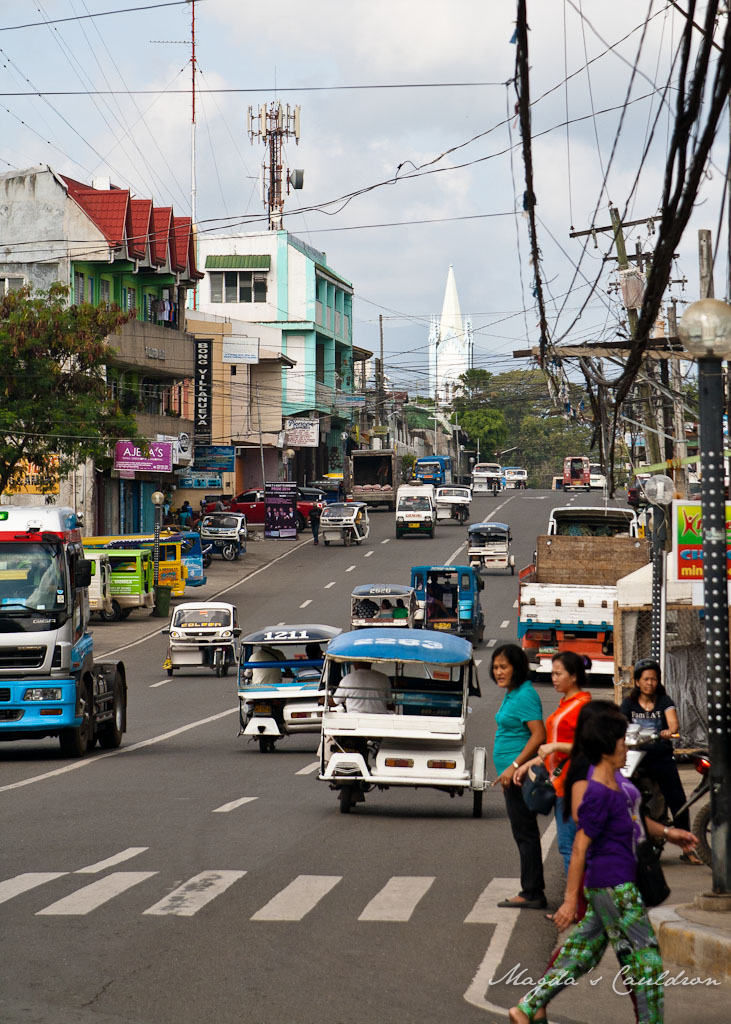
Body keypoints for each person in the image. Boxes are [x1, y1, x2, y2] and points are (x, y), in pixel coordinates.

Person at [509, 703, 698, 1024]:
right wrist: (570, 901)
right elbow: (580, 847)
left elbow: (633, 817)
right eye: (622, 741)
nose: (626, 747)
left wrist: (669, 832)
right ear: (606, 747)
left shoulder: (615, 780)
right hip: (614, 885)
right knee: (646, 962)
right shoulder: (596, 790)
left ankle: (529, 1006)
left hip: (613, 884)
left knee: (584, 951)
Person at [514, 652, 593, 872]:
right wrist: (529, 764)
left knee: (570, 847)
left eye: (559, 674)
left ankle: (575, 894)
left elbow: (589, 746)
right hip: (560, 782)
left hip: (573, 784)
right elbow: (553, 746)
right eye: (552, 673)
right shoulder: (565, 703)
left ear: (574, 676)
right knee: (569, 846)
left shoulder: (582, 706)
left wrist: (555, 746)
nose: (554, 678)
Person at [620, 658, 698, 859]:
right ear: (637, 681)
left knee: (677, 799)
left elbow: (673, 723)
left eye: (653, 679)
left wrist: (669, 731)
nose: (650, 683)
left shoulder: (664, 701)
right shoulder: (629, 703)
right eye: (646, 679)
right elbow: (620, 724)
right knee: (623, 796)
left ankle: (687, 847)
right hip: (635, 758)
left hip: (661, 756)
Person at [490, 644, 547, 909]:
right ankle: (531, 889)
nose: (498, 672)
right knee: (522, 833)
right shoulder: (513, 693)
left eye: (504, 667)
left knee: (526, 834)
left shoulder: (525, 695)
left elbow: (539, 735)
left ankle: (532, 892)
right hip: (511, 777)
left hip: (520, 775)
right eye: (495, 667)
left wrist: (514, 766)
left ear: (517, 668)